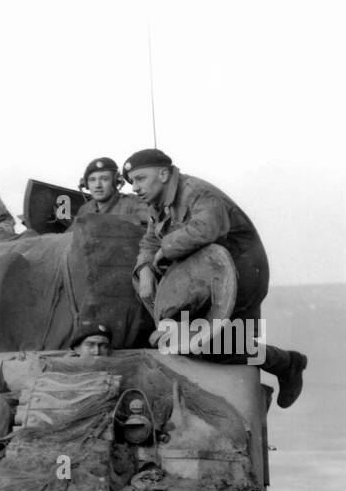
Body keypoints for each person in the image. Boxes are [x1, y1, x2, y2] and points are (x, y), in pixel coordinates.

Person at [124, 148, 307, 408]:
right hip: (204, 278)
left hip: (240, 272)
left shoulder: (196, 192)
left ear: (164, 174)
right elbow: (149, 241)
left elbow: (206, 228)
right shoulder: (160, 205)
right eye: (132, 181)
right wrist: (144, 270)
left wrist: (167, 248)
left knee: (211, 347)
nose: (134, 187)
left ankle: (286, 364)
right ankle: (285, 363)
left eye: (140, 178)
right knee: (206, 345)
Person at [74, 156, 151, 227]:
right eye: (92, 180)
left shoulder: (133, 204)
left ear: (116, 182)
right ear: (86, 184)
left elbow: (153, 228)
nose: (98, 185)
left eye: (104, 179)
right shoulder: (85, 209)